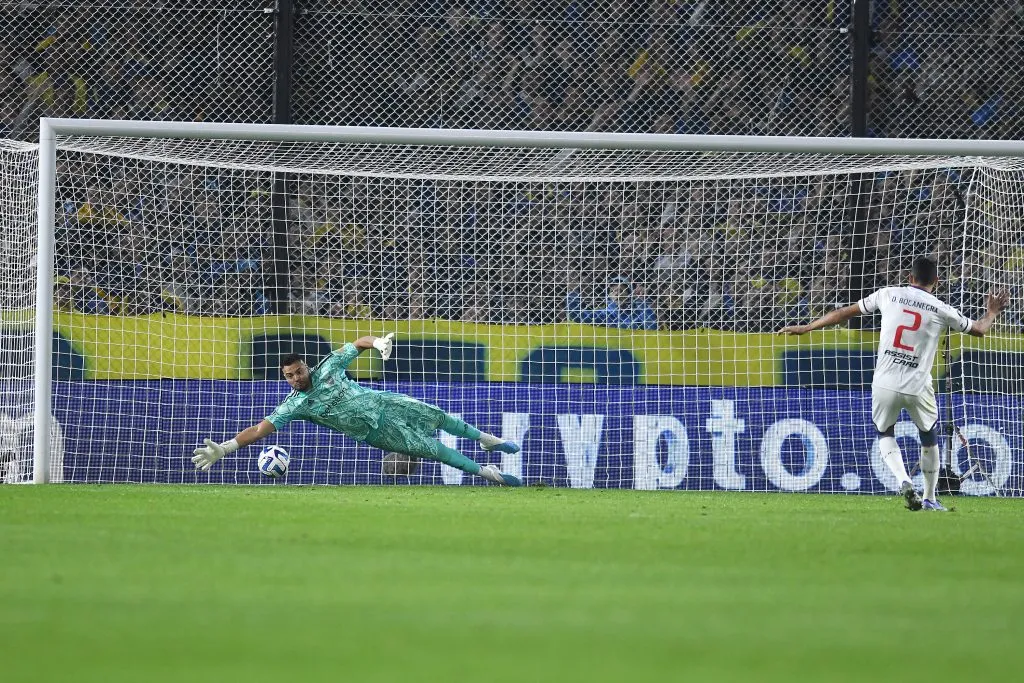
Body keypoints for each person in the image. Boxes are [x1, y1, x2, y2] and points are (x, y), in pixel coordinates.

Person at [778, 256, 1009, 511]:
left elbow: (843, 312)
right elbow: (979, 329)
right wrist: (992, 312)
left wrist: (809, 326)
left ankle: (903, 480)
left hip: (884, 382)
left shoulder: (887, 294)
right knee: (929, 436)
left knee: (885, 433)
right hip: (917, 385)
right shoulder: (941, 308)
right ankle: (930, 497)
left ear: (910, 278)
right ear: (937, 281)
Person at [192, 333, 523, 486]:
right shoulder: (295, 405)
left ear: (306, 366)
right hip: (376, 431)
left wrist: (377, 342)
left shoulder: (327, 367)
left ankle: (486, 438)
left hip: (382, 401)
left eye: (299, 371)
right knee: (433, 449)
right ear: (285, 378)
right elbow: (259, 429)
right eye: (289, 376)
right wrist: (225, 447)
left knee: (435, 413)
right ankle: (488, 473)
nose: (296, 378)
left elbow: (357, 344)